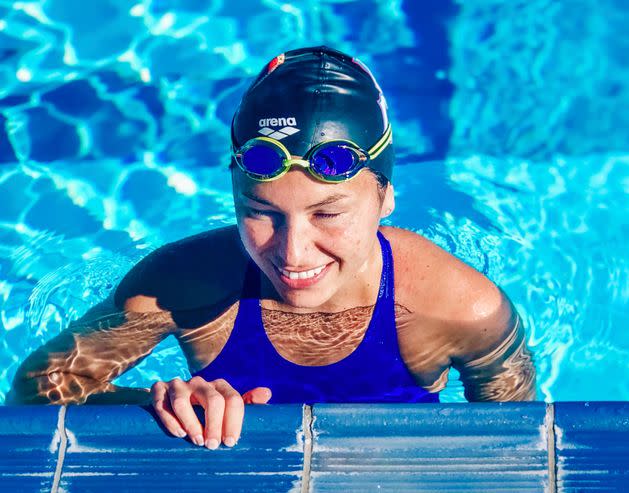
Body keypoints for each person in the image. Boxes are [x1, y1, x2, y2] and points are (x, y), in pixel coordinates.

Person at [9, 46, 536, 450]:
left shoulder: (460, 308)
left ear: (386, 197)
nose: (293, 253)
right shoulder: (181, 285)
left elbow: (516, 443)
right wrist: (158, 404)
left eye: (327, 214)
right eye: (260, 213)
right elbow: (37, 391)